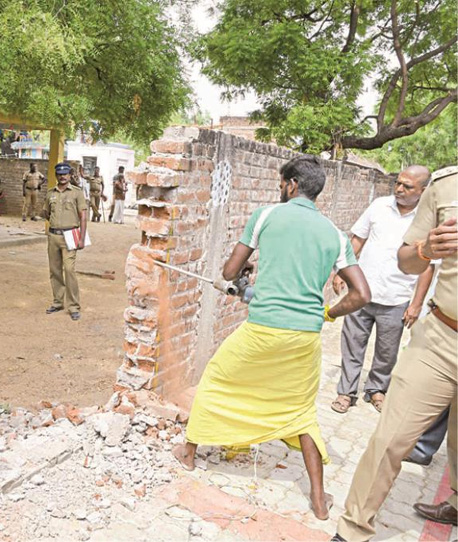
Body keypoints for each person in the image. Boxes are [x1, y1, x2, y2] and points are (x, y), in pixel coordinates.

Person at [172, 155, 371, 521]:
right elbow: (361, 295)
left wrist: (245, 268)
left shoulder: (265, 216)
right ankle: (318, 497)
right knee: (301, 412)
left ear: (292, 184)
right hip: (305, 338)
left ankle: (188, 452)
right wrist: (327, 313)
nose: (280, 190)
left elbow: (229, 271)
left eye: (282, 184)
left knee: (216, 380)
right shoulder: (335, 234)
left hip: (262, 330)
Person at [332, 166, 458, 542]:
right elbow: (408, 259)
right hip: (440, 338)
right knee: (390, 437)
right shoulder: (446, 185)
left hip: (399, 306)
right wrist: (425, 249)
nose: (400, 187)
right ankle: (352, 529)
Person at [331, 165, 434, 414]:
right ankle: (346, 392)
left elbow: (428, 265)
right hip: (361, 292)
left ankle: (377, 389)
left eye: (407, 186)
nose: (399, 188)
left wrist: (416, 304)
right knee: (353, 345)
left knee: (387, 352)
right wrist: (341, 271)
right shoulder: (379, 206)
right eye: (398, 183)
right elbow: (357, 240)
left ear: (423, 190)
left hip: (397, 297)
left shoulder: (427, 220)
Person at [43, 163, 88, 321]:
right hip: (54, 236)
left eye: (65, 174)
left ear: (70, 176)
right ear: (56, 176)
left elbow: (83, 216)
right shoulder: (50, 194)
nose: (62, 177)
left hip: (71, 235)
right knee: (54, 270)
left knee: (69, 269)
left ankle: (74, 306)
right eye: (59, 174)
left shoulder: (77, 193)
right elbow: (47, 213)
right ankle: (57, 302)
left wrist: (81, 238)